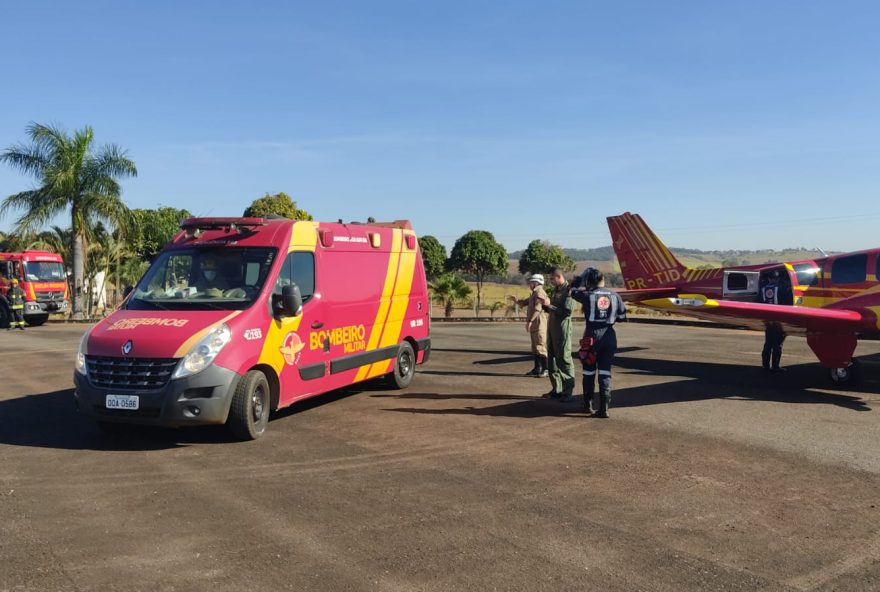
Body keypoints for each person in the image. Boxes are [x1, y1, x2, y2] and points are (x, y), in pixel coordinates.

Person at [571, 268, 626, 418]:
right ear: (603, 279)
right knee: (605, 372)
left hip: (592, 337)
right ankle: (604, 409)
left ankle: (588, 405)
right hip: (609, 337)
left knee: (589, 371)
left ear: (590, 281)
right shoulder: (615, 296)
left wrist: (580, 277)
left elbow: (572, 290)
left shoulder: (587, 295)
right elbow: (622, 317)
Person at [542, 267, 575, 401]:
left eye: (552, 279)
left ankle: (567, 391)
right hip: (552, 329)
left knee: (564, 360)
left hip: (562, 330)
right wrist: (545, 305)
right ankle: (557, 389)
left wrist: (549, 306)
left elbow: (567, 311)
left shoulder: (569, 290)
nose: (550, 281)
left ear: (559, 276)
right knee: (552, 361)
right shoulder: (555, 290)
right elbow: (552, 309)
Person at [511, 274, 549, 377]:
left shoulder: (540, 292)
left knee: (541, 346)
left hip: (539, 322)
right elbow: (525, 303)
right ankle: (537, 368)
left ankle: (546, 369)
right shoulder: (534, 293)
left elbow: (538, 308)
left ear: (537, 282)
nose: (529, 284)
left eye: (531, 282)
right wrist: (517, 301)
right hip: (535, 323)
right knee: (535, 347)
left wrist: (530, 321)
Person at [761, 270, 785, 371]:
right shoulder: (781, 289)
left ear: (769, 279)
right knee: (777, 344)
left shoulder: (763, 289)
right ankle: (775, 366)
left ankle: (765, 365)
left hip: (767, 319)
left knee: (768, 343)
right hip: (778, 319)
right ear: (777, 279)